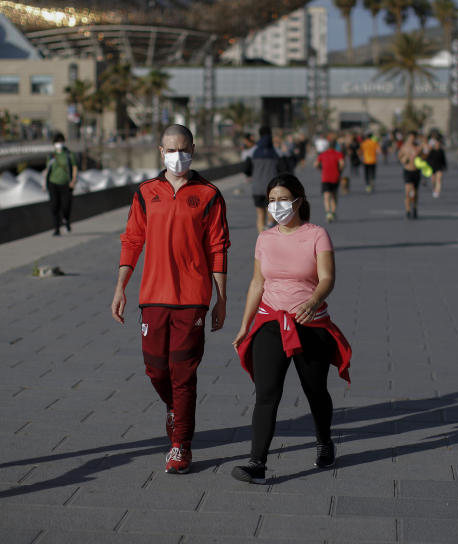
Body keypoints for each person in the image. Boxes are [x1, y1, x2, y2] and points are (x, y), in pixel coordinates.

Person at [111, 124, 230, 474]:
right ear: (160, 152)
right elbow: (132, 240)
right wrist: (121, 286)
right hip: (153, 296)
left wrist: (221, 298)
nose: (178, 155)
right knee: (156, 369)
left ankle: (181, 445)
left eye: (184, 148)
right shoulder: (146, 193)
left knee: (183, 373)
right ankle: (174, 409)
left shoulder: (209, 195)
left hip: (192, 297)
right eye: (170, 149)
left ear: (193, 148)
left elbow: (218, 248)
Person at [231, 174, 351, 484]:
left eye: (282, 199)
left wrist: (314, 301)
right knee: (266, 393)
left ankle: (324, 441)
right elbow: (258, 282)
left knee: (315, 391)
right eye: (271, 200)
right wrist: (245, 325)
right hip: (271, 321)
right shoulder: (264, 238)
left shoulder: (316, 235)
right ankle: (257, 463)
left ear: (298, 200)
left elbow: (327, 278)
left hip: (310, 324)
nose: (276, 205)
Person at [245, 126, 284, 234]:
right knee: (271, 212)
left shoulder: (252, 152)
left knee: (260, 214)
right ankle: (270, 229)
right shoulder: (276, 152)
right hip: (272, 188)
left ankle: (261, 240)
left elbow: (246, 169)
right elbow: (283, 169)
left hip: (257, 187)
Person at [43, 133, 78, 236]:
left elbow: (75, 167)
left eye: (60, 142)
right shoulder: (51, 156)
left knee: (66, 206)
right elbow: (47, 170)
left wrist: (73, 180)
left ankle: (66, 219)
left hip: (66, 184)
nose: (59, 144)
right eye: (57, 142)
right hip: (53, 184)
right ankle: (56, 228)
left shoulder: (68, 154)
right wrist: (44, 184)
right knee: (54, 206)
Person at [314, 137, 345, 222]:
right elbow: (342, 163)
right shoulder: (338, 154)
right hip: (335, 177)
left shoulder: (322, 154)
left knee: (326, 196)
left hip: (325, 178)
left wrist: (321, 168)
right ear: (335, 146)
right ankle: (333, 212)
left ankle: (328, 213)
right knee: (334, 196)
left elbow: (316, 164)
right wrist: (339, 171)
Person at [397, 131, 424, 219]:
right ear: (408, 138)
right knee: (408, 191)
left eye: (413, 137)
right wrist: (403, 160)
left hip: (416, 171)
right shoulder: (404, 147)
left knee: (415, 193)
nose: (412, 139)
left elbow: (424, 157)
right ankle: (408, 210)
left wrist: (420, 154)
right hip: (408, 171)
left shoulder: (418, 147)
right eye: (410, 137)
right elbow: (400, 156)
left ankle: (415, 208)